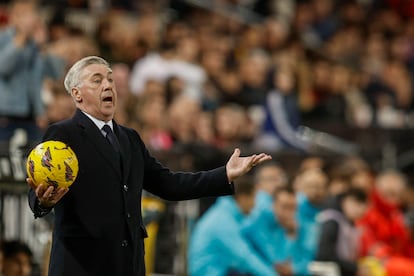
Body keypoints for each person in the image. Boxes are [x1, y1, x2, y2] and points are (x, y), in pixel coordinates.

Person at [26, 55, 272, 276]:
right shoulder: (63, 133)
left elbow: (169, 184)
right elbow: (40, 187)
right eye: (97, 80)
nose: (108, 85)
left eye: (110, 79)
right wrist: (44, 202)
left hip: (128, 264)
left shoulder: (129, 138)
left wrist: (224, 174)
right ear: (77, 94)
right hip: (82, 264)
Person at [188, 176, 276, 276]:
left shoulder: (225, 214)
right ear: (243, 197)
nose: (254, 204)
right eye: (253, 198)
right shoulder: (222, 221)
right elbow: (244, 257)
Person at [243, 186, 312, 276]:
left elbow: (308, 258)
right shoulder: (258, 223)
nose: (289, 213)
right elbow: (278, 262)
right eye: (285, 207)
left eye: (293, 208)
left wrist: (295, 269)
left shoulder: (298, 223)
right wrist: (291, 236)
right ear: (273, 205)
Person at [316, 188, 369, 276]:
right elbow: (325, 256)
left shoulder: (350, 223)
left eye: (363, 205)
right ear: (345, 201)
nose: (359, 210)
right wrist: (354, 268)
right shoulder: (331, 220)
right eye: (356, 204)